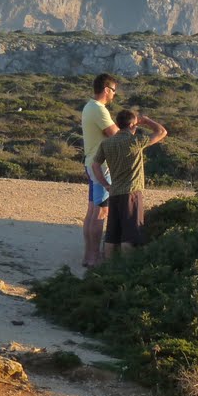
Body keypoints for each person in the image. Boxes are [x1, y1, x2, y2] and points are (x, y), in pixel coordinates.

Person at [91, 109, 167, 256]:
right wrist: (146, 120)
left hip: (114, 193)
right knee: (130, 236)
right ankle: (127, 269)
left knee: (112, 236)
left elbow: (95, 165)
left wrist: (105, 184)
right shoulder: (135, 141)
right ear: (132, 125)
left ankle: (108, 267)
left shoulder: (106, 143)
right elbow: (161, 132)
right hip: (131, 192)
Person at [80, 73, 119, 267]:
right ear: (106, 89)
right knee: (101, 212)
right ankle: (94, 257)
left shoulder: (88, 106)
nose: (114, 95)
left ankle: (89, 255)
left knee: (92, 210)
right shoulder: (99, 109)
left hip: (91, 163)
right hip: (101, 167)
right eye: (113, 91)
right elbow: (115, 135)